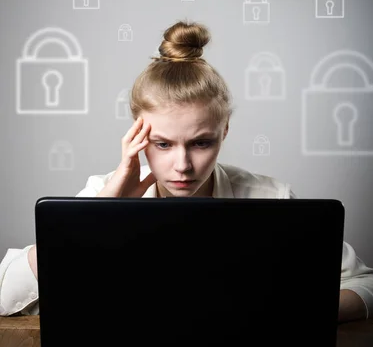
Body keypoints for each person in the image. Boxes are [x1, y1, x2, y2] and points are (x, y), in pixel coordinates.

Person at [1, 20, 373, 322]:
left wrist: (286, 312)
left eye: (200, 143)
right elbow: (4, 296)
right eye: (162, 144)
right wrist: (103, 210)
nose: (182, 165)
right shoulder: (101, 193)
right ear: (137, 134)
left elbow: (364, 283)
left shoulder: (271, 199)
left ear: (224, 132)